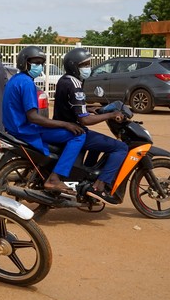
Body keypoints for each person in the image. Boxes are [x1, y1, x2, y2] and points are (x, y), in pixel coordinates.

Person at [2, 46, 86, 194]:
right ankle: (54, 178)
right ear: (24, 62)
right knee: (79, 135)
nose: (38, 66)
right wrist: (66, 124)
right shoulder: (27, 83)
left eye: (41, 63)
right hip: (25, 130)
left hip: (14, 128)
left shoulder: (15, 79)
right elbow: (33, 117)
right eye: (35, 62)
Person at [53, 47, 128, 204]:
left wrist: (91, 109)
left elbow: (72, 106)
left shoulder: (65, 80)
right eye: (84, 65)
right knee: (120, 148)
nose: (88, 68)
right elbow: (84, 121)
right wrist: (111, 114)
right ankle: (98, 187)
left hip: (64, 127)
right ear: (74, 66)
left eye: (88, 64)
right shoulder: (74, 84)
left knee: (97, 143)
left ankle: (84, 177)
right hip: (73, 131)